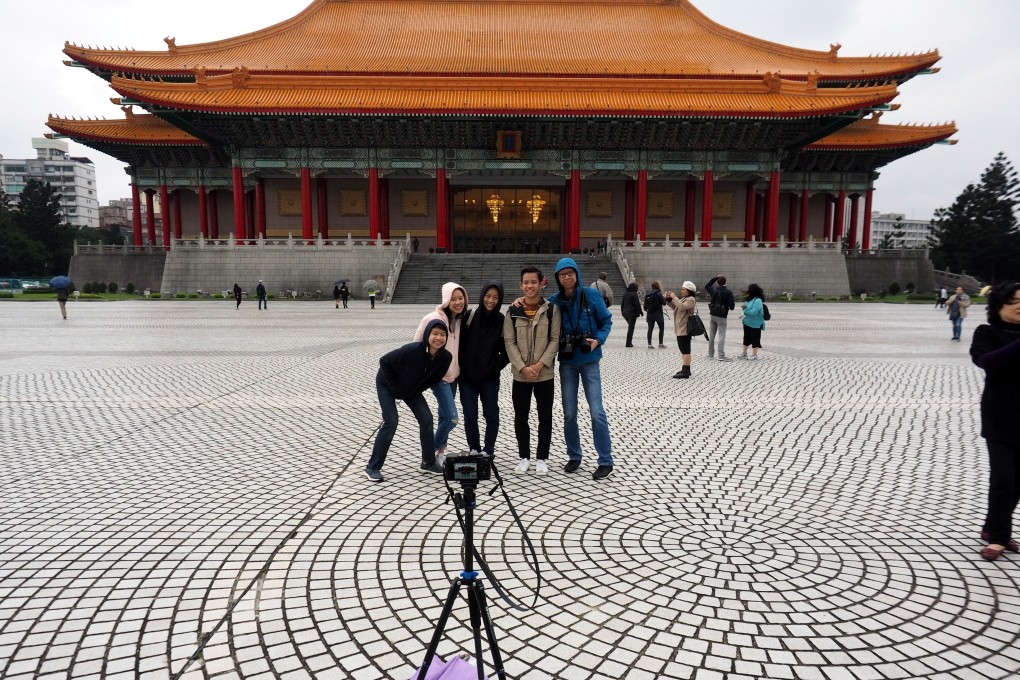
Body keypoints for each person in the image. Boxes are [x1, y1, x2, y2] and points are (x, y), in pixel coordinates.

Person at [549, 257, 615, 480]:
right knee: (569, 413)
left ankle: (605, 460)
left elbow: (607, 321)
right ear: (558, 278)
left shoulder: (591, 296)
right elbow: (534, 306)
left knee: (596, 411)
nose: (567, 277)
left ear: (576, 274)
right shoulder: (555, 301)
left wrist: (598, 339)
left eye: (570, 273)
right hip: (567, 363)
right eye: (562, 274)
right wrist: (520, 301)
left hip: (589, 361)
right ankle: (574, 455)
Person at [365, 319, 452, 481]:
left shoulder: (445, 357)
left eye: (442, 334)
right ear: (427, 335)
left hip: (410, 389)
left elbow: (433, 379)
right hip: (386, 383)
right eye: (435, 334)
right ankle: (372, 467)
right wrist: (395, 387)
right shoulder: (412, 350)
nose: (438, 338)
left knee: (426, 418)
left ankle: (428, 462)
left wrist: (413, 389)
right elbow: (384, 361)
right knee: (391, 421)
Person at [970, 281, 1020, 560]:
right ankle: (1000, 538)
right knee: (1003, 478)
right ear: (999, 305)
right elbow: (986, 361)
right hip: (1000, 415)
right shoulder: (988, 332)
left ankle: (993, 527)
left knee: (1018, 481)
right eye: (1014, 301)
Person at [505, 266, 561, 474]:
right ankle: (524, 456)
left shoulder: (552, 310)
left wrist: (537, 366)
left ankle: (542, 457)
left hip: (544, 374)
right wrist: (522, 368)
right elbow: (509, 342)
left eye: (533, 282)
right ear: (521, 285)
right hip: (520, 375)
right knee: (521, 416)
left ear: (541, 284)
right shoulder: (512, 311)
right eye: (526, 282)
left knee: (545, 416)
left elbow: (554, 340)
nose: (530, 286)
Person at [414, 282, 468, 466]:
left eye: (461, 298)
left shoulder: (458, 320)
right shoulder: (432, 318)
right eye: (453, 299)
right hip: (439, 377)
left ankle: (440, 453)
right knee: (452, 418)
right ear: (446, 299)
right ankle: (429, 452)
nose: (458, 302)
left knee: (443, 416)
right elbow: (417, 344)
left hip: (454, 376)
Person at [459, 282, 509, 457]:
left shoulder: (501, 321)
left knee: (491, 414)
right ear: (482, 296)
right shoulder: (470, 316)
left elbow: (507, 351)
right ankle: (474, 448)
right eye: (488, 296)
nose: (491, 300)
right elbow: (458, 343)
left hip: (489, 378)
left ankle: (489, 450)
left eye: (496, 297)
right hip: (467, 378)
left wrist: (494, 366)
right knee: (470, 415)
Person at [665, 281, 697, 379]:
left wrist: (674, 297)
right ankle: (685, 368)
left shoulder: (691, 299)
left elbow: (682, 307)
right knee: (683, 349)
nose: (682, 291)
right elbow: (676, 308)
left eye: (684, 290)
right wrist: (669, 300)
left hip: (685, 328)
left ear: (689, 291)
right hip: (680, 328)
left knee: (686, 349)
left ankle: (686, 371)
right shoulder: (684, 298)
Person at [705, 275, 736, 361]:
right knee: (721, 335)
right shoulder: (728, 292)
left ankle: (711, 354)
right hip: (722, 316)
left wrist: (715, 277)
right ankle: (721, 355)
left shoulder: (714, 290)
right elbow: (732, 306)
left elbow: (707, 286)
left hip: (713, 314)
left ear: (717, 282)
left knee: (712, 335)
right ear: (725, 282)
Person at [740, 283, 766, 360]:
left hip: (755, 323)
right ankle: (744, 353)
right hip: (748, 322)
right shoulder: (749, 300)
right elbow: (746, 309)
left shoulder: (757, 300)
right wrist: (744, 310)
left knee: (755, 339)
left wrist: (745, 311)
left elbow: (754, 312)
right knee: (746, 338)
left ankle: (754, 355)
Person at [644, 280, 667, 349]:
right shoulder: (659, 294)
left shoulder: (648, 293)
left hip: (650, 314)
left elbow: (645, 305)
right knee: (661, 328)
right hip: (658, 314)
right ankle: (660, 344)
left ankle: (649, 344)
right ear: (658, 286)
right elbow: (664, 303)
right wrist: (664, 297)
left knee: (650, 329)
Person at [620, 282, 643, 347]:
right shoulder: (634, 294)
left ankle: (629, 342)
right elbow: (637, 304)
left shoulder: (625, 294)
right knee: (631, 328)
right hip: (632, 313)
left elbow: (622, 304)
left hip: (625, 313)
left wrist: (622, 312)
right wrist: (640, 312)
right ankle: (628, 343)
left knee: (630, 327)